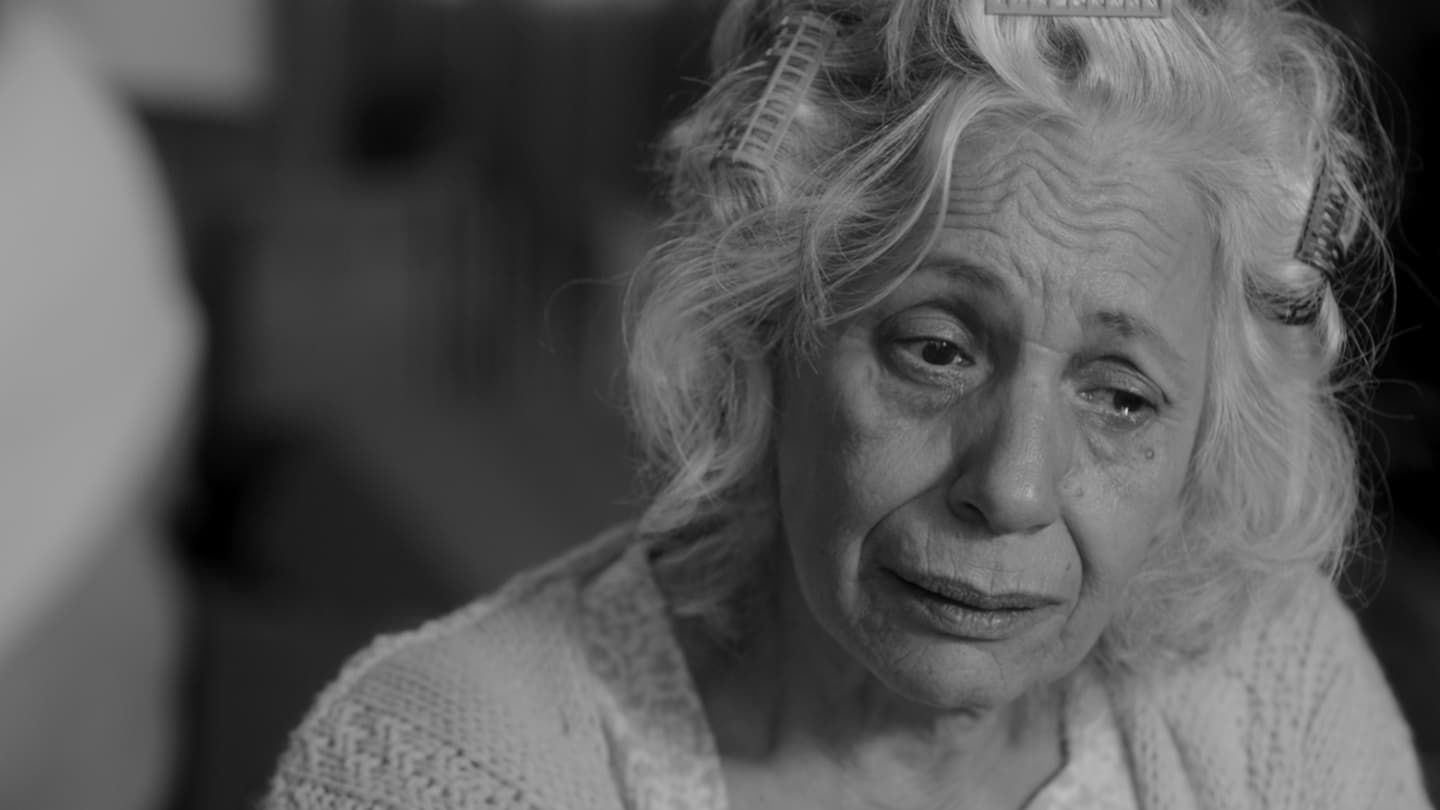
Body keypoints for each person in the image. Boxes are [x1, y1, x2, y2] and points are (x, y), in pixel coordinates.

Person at [263, 0, 1432, 807]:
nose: (1014, 487)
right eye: (937, 351)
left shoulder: (1270, 676)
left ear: (1205, 439)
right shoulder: (433, 764)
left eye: (1122, 399)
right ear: (765, 331)